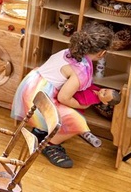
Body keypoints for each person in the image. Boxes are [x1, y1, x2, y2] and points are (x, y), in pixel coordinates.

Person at [11, 23, 115, 168]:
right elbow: (63, 98)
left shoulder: (70, 52)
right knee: (77, 120)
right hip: (37, 98)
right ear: (102, 53)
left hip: (30, 86)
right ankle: (50, 145)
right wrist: (82, 105)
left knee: (67, 109)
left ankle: (41, 130)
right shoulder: (81, 71)